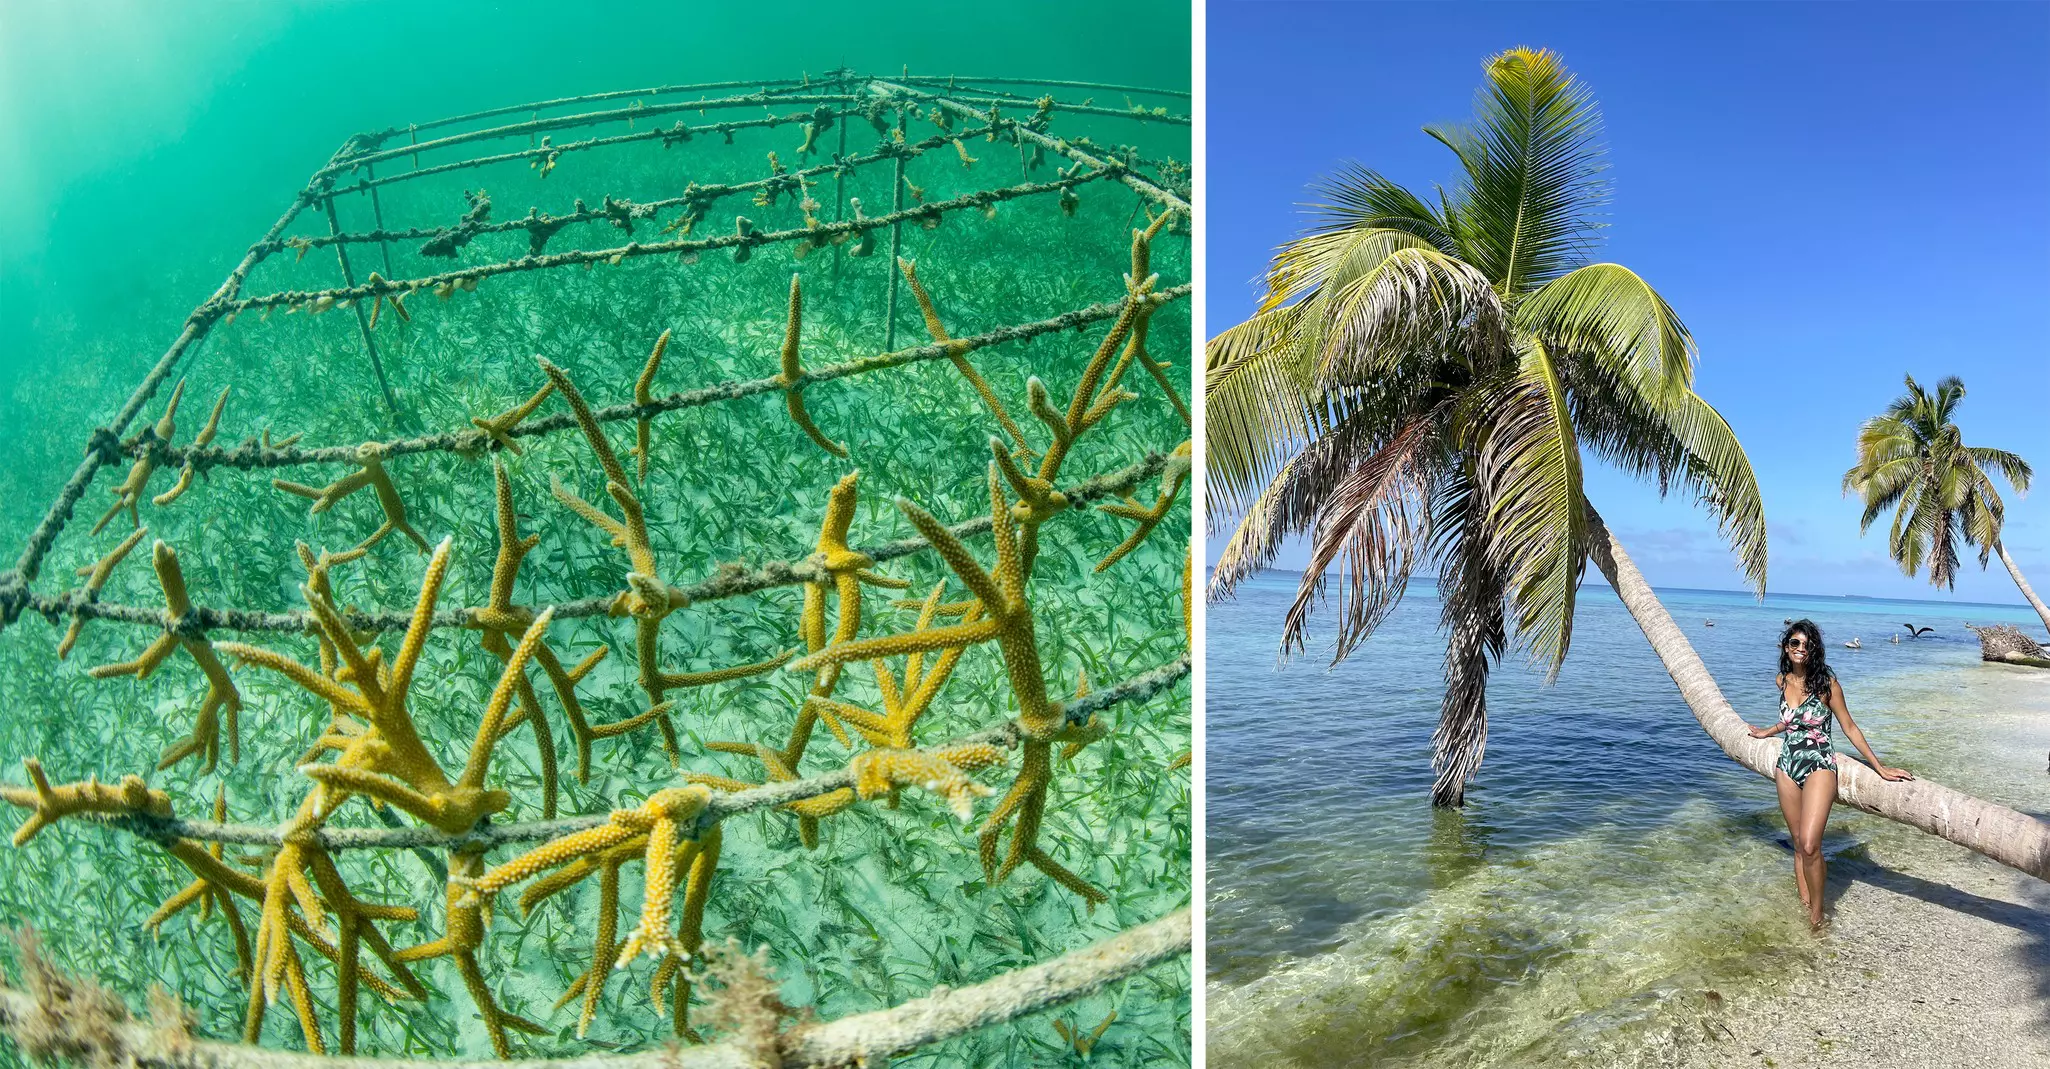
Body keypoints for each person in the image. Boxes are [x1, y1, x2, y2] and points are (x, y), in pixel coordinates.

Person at [1745, 619, 1913, 928]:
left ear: (1814, 651)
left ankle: (1817, 916)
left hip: (1819, 764)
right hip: (1787, 765)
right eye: (1795, 643)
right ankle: (1804, 903)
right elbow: (1791, 722)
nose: (1800, 649)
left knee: (1810, 844)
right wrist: (1767, 731)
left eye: (1807, 645)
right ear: (1786, 647)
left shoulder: (1827, 684)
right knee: (1797, 843)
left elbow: (1849, 726)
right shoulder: (1781, 680)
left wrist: (1879, 766)